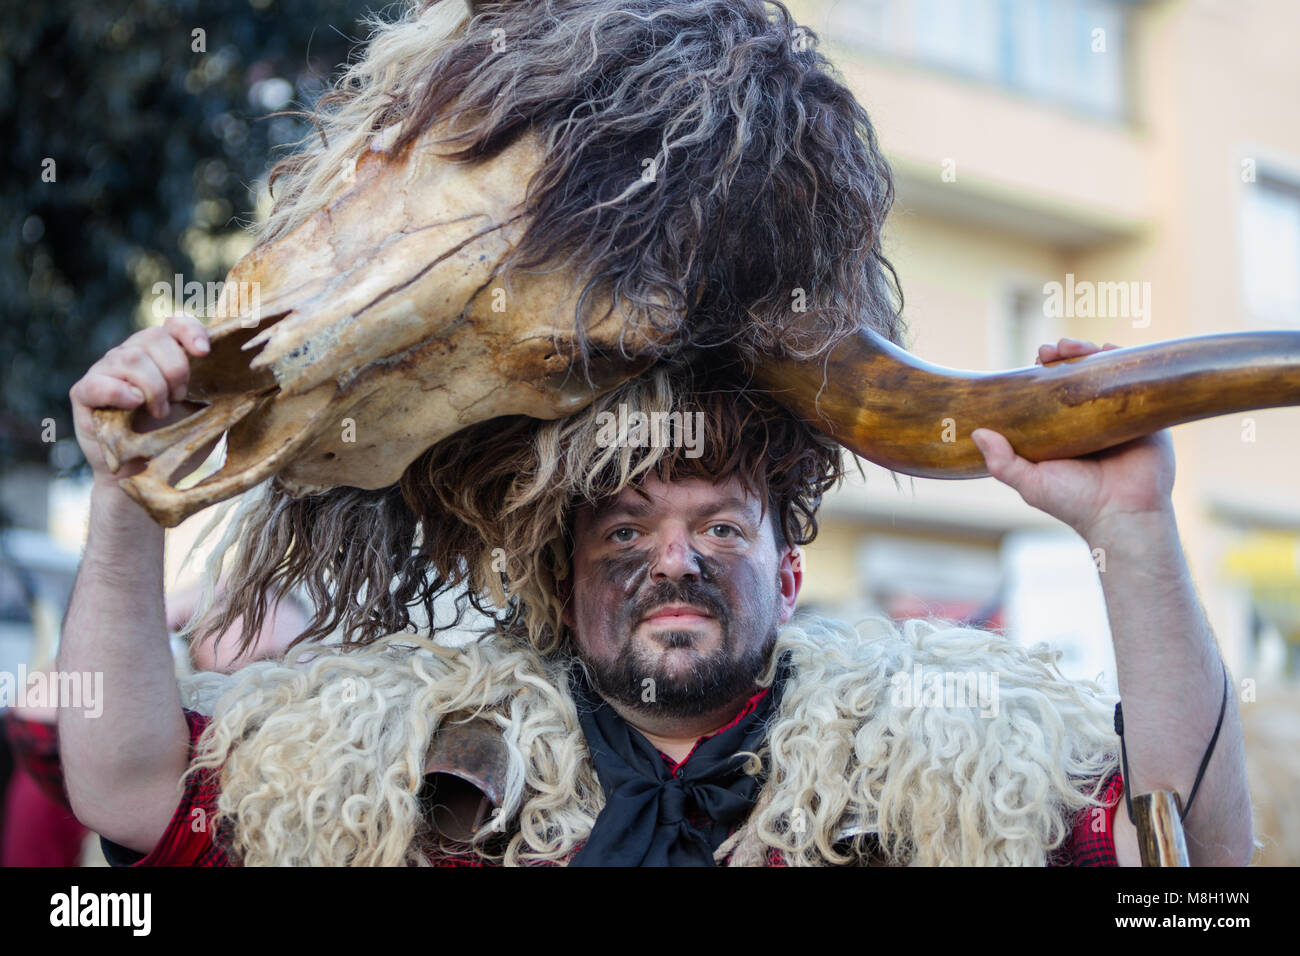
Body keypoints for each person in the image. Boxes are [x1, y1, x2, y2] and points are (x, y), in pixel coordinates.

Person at [58, 0, 1252, 866]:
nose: (671, 557)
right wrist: (124, 496)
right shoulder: (402, 758)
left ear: (786, 563)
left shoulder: (932, 763)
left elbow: (1196, 854)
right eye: (624, 526)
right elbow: (122, 789)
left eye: (716, 523)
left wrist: (1134, 533)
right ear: (557, 570)